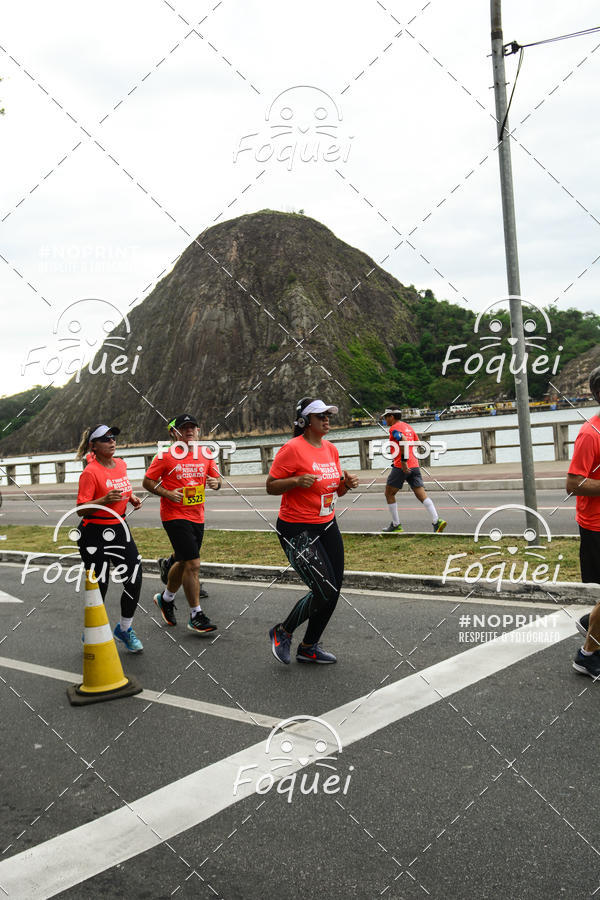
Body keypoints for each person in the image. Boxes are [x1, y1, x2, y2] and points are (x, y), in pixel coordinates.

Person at [267, 397, 359, 665]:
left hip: (327, 524)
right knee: (324, 589)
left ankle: (309, 647)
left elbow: (333, 489)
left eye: (328, 415)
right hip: (296, 528)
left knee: (333, 589)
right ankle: (282, 632)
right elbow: (271, 486)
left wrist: (346, 485)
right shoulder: (292, 449)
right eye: (320, 416)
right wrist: (295, 480)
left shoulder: (330, 449)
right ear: (305, 421)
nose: (326, 419)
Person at [143, 413, 221, 634]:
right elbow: (147, 481)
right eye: (184, 428)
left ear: (198, 431)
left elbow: (216, 479)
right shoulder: (165, 456)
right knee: (193, 564)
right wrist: (167, 493)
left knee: (183, 560)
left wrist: (216, 483)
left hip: (197, 515)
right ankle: (196, 615)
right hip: (174, 515)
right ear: (173, 432)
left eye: (192, 427)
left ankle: (165, 598)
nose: (189, 431)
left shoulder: (206, 454)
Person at [75, 424, 143, 652]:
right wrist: (104, 500)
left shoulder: (121, 464)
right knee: (100, 585)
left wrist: (130, 497)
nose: (112, 441)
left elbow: (120, 487)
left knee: (134, 577)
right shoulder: (90, 472)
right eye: (105, 439)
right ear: (93, 446)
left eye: (113, 437)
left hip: (119, 528)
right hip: (94, 534)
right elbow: (81, 509)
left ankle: (124, 628)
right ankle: (93, 631)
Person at [568, 366, 600, 678]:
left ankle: (591, 621)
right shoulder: (591, 434)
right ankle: (587, 655)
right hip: (596, 525)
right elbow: (574, 483)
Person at [380, 407, 446, 534]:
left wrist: (403, 461)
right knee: (422, 495)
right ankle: (436, 521)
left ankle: (396, 525)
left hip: (401, 466)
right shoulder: (408, 427)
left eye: (386, 417)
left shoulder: (394, 429)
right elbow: (418, 443)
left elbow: (403, 440)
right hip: (415, 465)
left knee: (389, 494)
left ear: (391, 417)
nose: (385, 419)